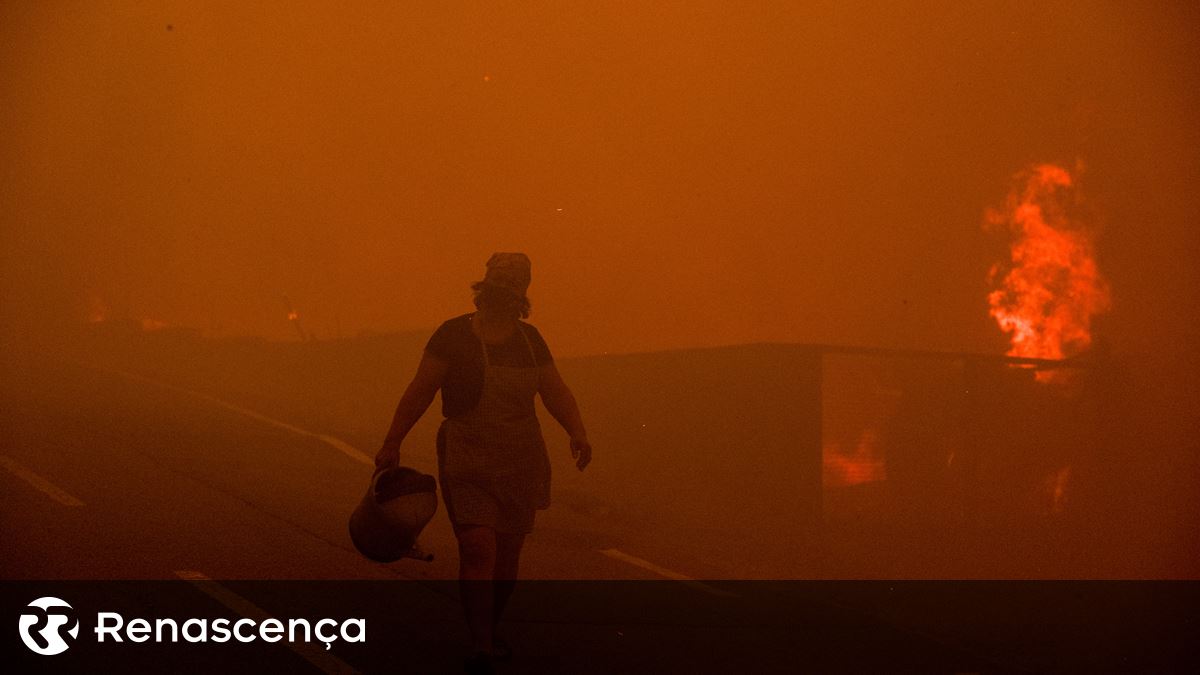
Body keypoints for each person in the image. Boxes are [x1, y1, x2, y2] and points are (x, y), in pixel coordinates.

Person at [373, 252, 591, 673]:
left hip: (520, 459)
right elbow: (420, 390)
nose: (500, 300)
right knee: (477, 547)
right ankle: (481, 645)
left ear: (520, 298)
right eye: (494, 291)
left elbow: (555, 391)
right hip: (466, 456)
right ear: (482, 292)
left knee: (507, 559)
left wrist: (577, 431)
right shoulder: (452, 336)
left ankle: (489, 629)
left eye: (510, 294)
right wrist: (392, 441)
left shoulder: (531, 342)